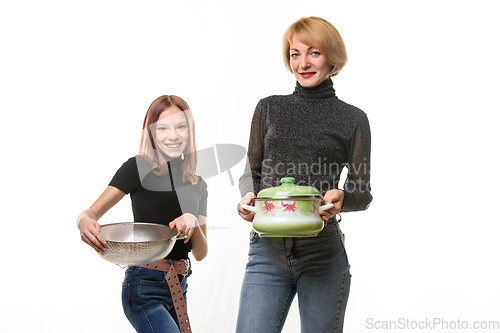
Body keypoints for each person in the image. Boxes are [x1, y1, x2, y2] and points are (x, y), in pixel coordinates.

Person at [236, 17, 372, 333]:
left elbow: (362, 190)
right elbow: (251, 173)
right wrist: (247, 196)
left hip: (322, 251)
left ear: (332, 57)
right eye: (295, 54)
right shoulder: (268, 108)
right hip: (266, 250)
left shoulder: (353, 119)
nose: (303, 63)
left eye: (314, 52)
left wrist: (344, 197)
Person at [77, 95, 208, 333]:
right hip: (143, 287)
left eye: (181, 126)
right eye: (163, 128)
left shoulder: (197, 183)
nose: (173, 135)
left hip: (179, 286)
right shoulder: (137, 168)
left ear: (190, 130)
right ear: (151, 133)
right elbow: (90, 212)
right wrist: (84, 221)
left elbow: (201, 253)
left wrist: (192, 220)